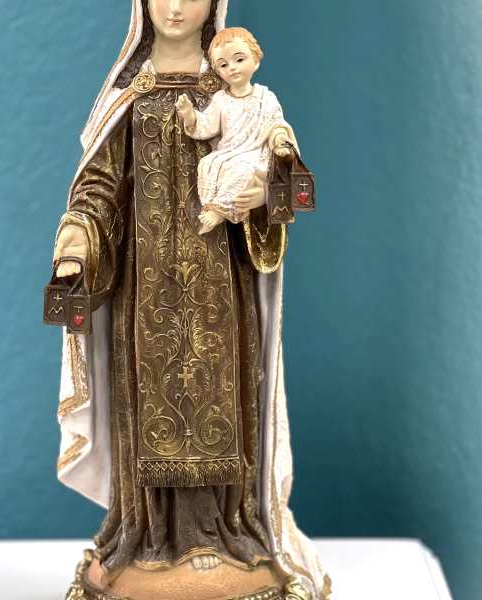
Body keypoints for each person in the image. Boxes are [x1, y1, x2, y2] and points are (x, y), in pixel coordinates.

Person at [50, 1, 331, 598]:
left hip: (220, 283)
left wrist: (266, 188)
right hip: (144, 287)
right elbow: (100, 186)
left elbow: (280, 177)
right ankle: (146, 539)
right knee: (148, 397)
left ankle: (225, 536)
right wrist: (77, 237)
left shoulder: (236, 90)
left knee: (222, 391)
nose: (176, 6)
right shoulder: (129, 92)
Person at [175, 27, 295, 234]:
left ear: (255, 61)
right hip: (229, 152)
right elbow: (206, 125)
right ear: (218, 71)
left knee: (242, 170)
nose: (232, 68)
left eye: (239, 59)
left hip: (255, 153)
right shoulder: (221, 99)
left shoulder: (266, 97)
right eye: (224, 64)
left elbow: (276, 124)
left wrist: (279, 138)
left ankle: (220, 212)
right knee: (207, 164)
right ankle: (211, 206)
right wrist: (190, 115)